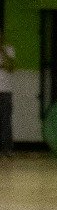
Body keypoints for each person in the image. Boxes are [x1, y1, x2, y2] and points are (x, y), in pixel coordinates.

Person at [0, 28, 14, 156]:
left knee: (5, 121)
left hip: (5, 90)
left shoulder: (9, 49)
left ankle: (7, 149)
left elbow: (11, 68)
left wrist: (3, 51)